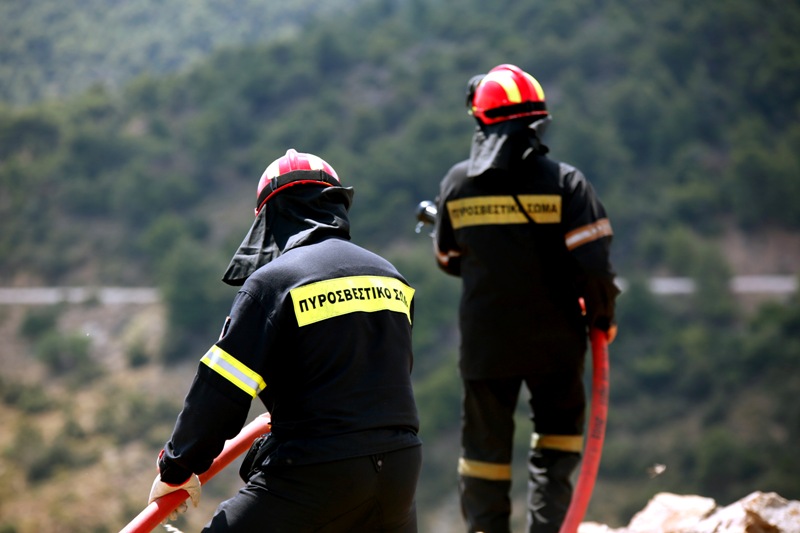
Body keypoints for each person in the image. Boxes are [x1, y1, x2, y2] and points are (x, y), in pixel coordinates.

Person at [148, 149, 423, 532]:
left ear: (269, 219)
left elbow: (220, 393)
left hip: (315, 473)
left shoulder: (273, 284)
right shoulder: (391, 276)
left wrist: (176, 467)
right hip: (400, 470)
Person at [430, 64, 619, 533]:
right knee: (556, 447)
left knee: (482, 457)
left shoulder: (457, 185)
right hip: (557, 343)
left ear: (481, 124)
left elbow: (449, 258)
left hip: (485, 345)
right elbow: (594, 269)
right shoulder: (567, 184)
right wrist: (602, 318)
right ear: (538, 121)